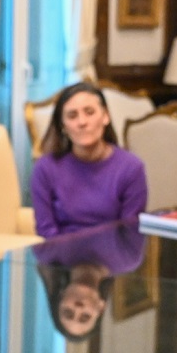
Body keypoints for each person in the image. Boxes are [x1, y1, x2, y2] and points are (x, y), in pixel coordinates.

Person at [29, 81, 149, 237]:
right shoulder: (45, 168)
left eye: (90, 112)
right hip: (61, 256)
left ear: (105, 116)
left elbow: (130, 234)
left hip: (113, 258)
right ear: (63, 126)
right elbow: (46, 231)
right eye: (72, 116)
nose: (82, 122)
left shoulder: (131, 167)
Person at [32, 220, 148, 339]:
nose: (78, 308)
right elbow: (134, 206)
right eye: (85, 316)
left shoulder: (47, 251)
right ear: (101, 307)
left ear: (60, 296)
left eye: (68, 312)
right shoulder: (128, 259)